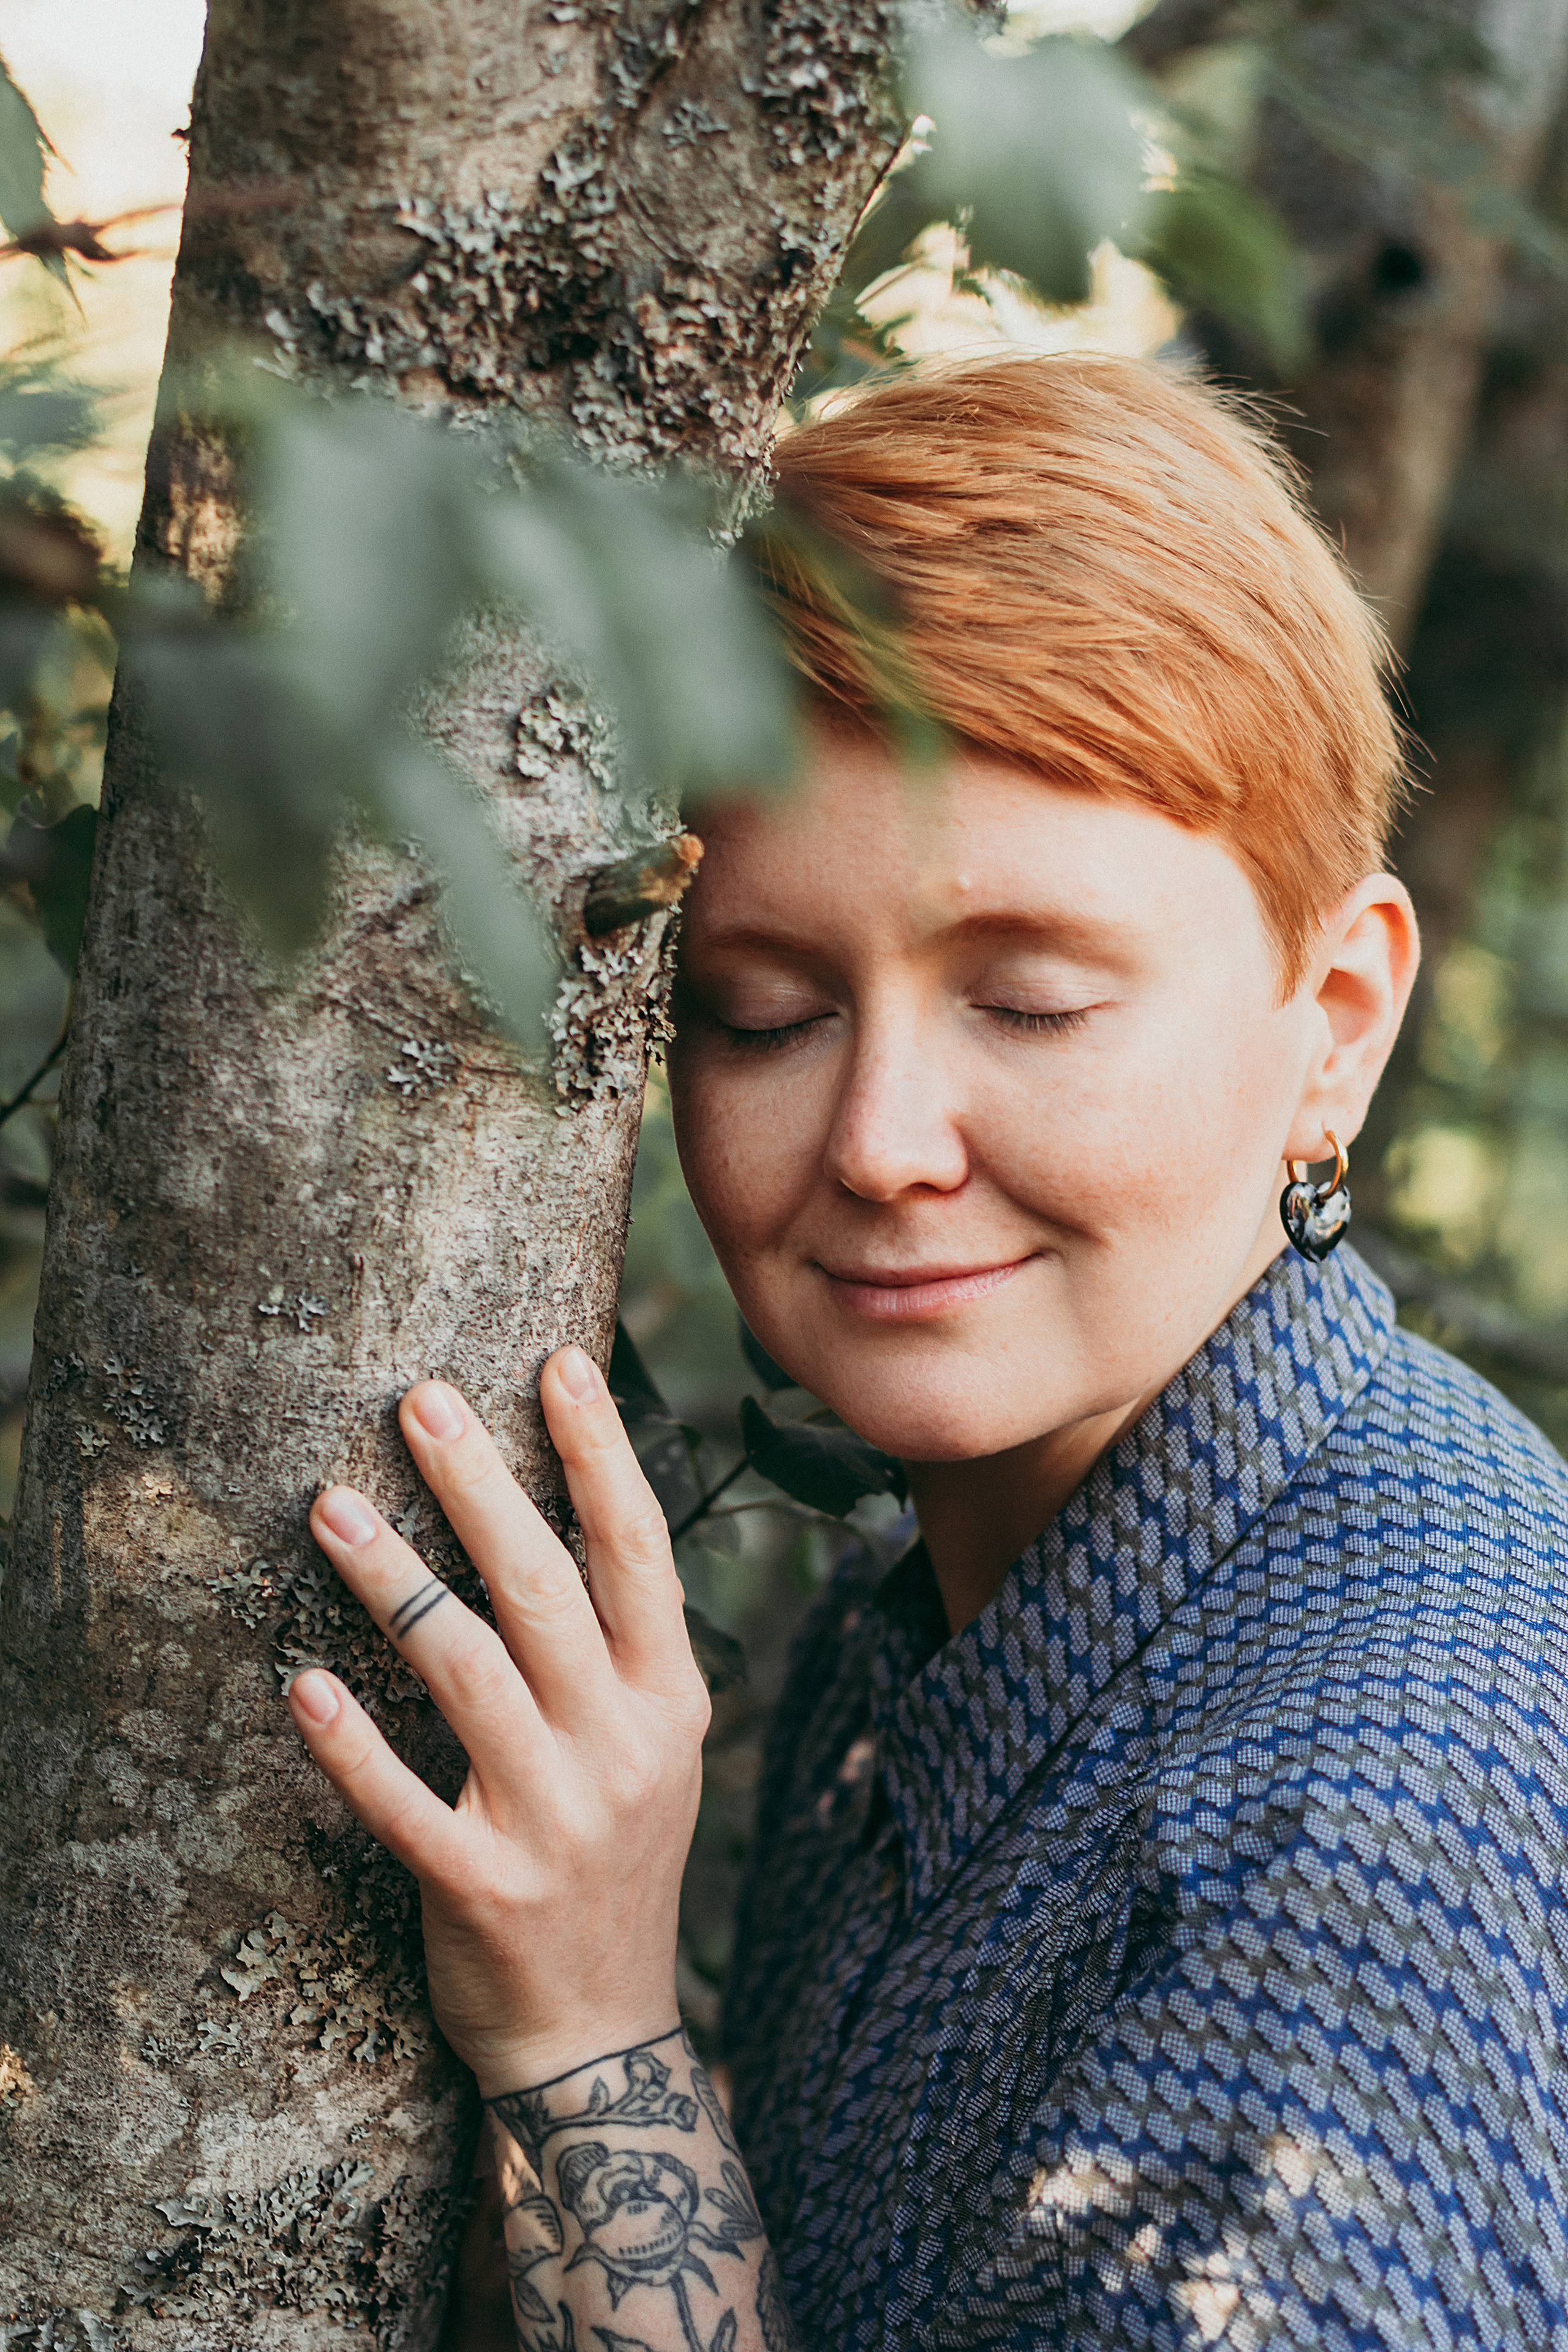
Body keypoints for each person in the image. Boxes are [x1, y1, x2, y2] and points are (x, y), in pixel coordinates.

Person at [286, 355, 1568, 2352]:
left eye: (1034, 1005)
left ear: (1335, 1021)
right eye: (766, 1013)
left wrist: (587, 2035)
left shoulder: (1344, 1849)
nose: (883, 1146)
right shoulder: (953, 1617)